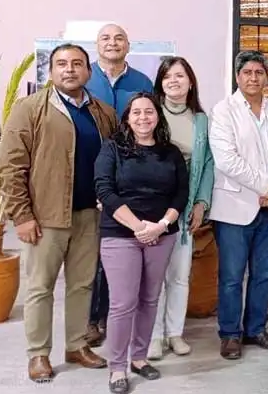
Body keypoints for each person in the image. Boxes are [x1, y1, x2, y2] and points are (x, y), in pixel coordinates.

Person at [0, 43, 117, 383]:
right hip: (44, 217)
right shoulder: (30, 109)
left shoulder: (103, 113)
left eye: (77, 63)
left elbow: (114, 162)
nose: (70, 69)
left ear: (88, 71)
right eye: (62, 64)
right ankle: (38, 353)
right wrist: (22, 215)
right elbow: (10, 167)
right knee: (40, 287)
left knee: (82, 284)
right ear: (50, 72)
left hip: (89, 215)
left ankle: (76, 345)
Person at [94, 93, 188, 394]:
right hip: (121, 234)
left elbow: (180, 194)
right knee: (123, 303)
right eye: (136, 112)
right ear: (127, 118)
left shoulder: (171, 152)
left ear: (158, 116)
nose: (143, 117)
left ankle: (138, 357)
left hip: (162, 234)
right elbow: (105, 191)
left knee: (149, 299)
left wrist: (161, 226)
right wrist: (139, 227)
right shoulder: (112, 148)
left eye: (149, 112)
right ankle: (117, 367)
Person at [208, 51, 268, 360]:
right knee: (232, 277)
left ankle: (256, 329)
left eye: (259, 72)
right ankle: (230, 334)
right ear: (237, 76)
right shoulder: (223, 110)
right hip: (235, 207)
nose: (253, 77)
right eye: (247, 72)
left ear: (266, 77)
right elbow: (226, 159)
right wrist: (265, 185)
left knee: (264, 274)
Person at [85, 23, 155, 347]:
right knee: (91, 256)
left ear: (128, 45)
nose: (112, 43)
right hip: (88, 175)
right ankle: (91, 318)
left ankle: (113, 315)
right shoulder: (85, 79)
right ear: (96, 44)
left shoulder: (142, 82)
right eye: (105, 38)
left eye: (119, 38)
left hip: (127, 181)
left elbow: (149, 124)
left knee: (118, 253)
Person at [147, 57, 214, 360]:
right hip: (153, 207)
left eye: (180, 75)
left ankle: (174, 333)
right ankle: (153, 336)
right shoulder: (151, 113)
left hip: (186, 208)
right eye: (167, 76)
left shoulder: (200, 120)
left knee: (180, 275)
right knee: (153, 277)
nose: (173, 81)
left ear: (190, 82)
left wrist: (201, 203)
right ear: (160, 83)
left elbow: (208, 163)